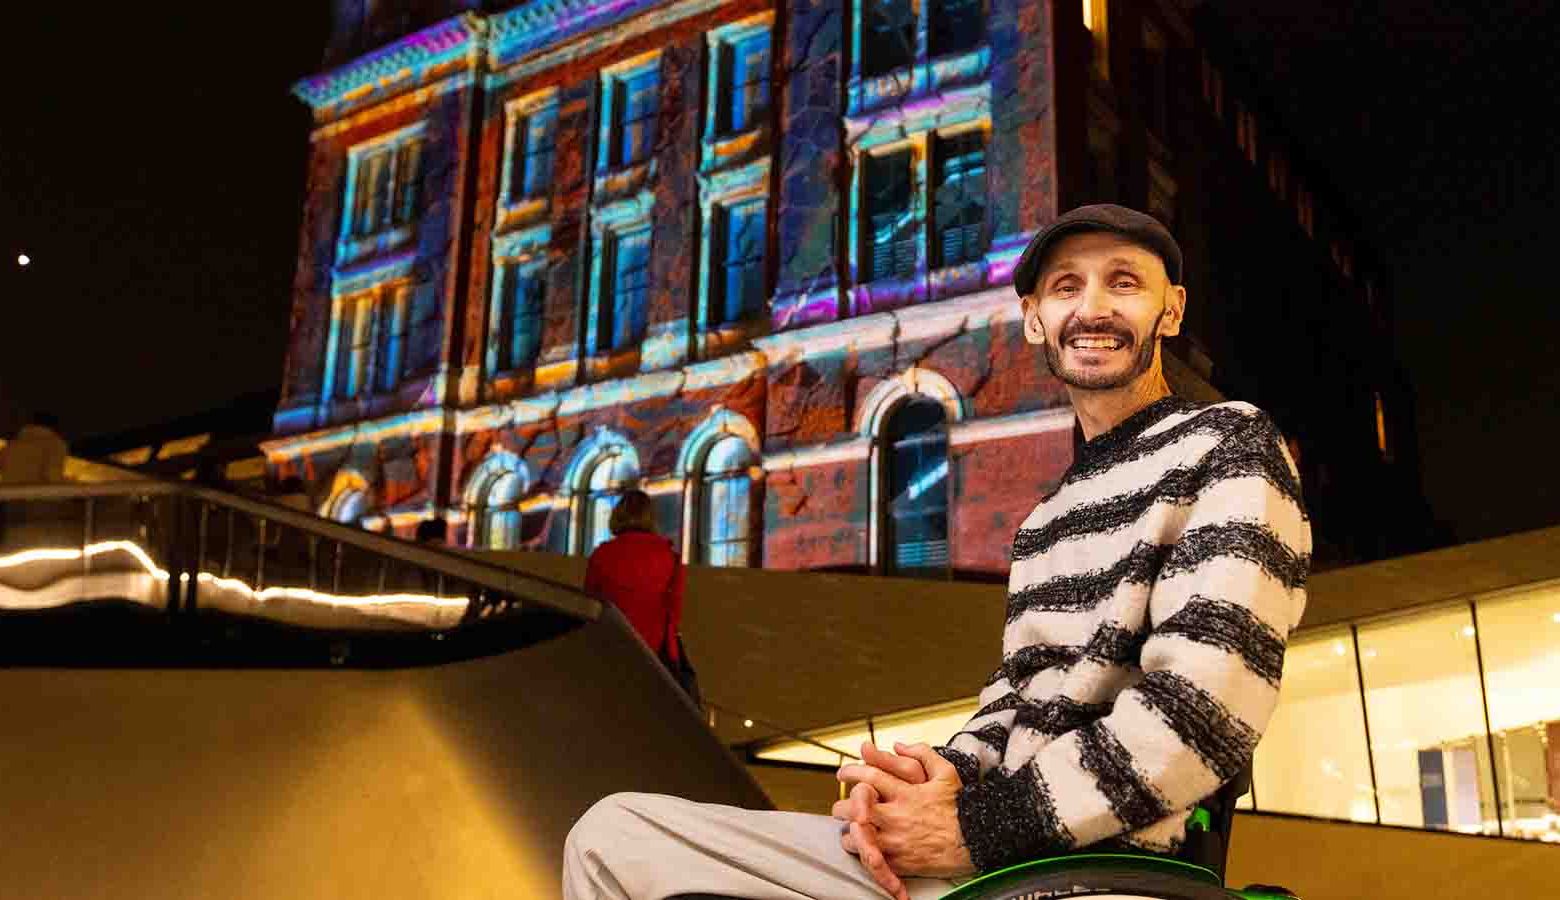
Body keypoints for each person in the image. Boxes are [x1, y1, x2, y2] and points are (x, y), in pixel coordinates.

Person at [562, 204, 1311, 900]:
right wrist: (925, 778)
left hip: (1115, 867)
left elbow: (1203, 713)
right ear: (1033, 321)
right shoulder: (1047, 517)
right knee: (612, 837)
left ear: (1170, 310)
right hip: (992, 856)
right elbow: (1016, 702)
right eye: (1065, 287)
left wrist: (968, 830)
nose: (1093, 309)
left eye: (1124, 283)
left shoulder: (1231, 443)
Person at [581, 489, 687, 665]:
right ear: (652, 517)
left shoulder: (601, 555)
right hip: (654, 655)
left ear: (617, 515)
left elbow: (590, 605)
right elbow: (674, 612)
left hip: (609, 649)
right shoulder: (671, 558)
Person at [0, 412, 68, 485]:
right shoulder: (55, 444)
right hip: (34, 494)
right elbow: (52, 475)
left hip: (8, 492)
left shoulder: (14, 443)